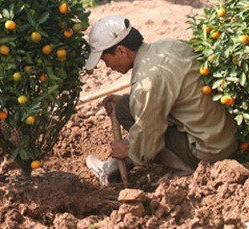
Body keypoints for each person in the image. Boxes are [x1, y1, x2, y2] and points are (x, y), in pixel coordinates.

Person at [84, 15, 238, 184]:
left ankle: (185, 169)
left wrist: (129, 151)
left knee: (135, 127)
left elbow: (147, 142)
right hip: (225, 137)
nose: (108, 67)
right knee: (124, 106)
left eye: (106, 60)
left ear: (121, 50)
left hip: (208, 152)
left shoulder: (148, 83)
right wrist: (132, 101)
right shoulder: (168, 46)